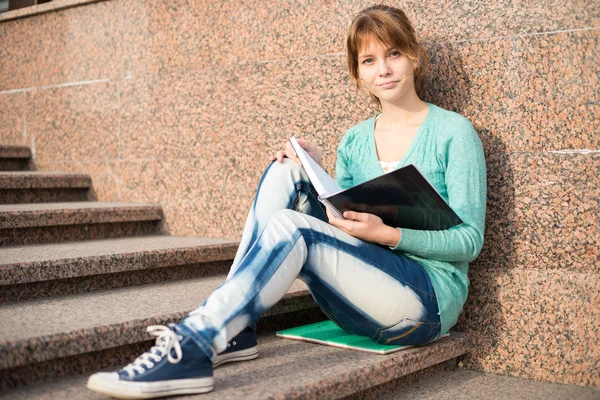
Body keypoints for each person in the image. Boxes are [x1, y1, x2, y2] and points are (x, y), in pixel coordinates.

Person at [87, 4, 486, 398]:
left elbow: (470, 241)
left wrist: (392, 235)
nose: (383, 69)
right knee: (286, 170)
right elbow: (341, 224)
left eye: (393, 53)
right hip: (359, 296)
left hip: (424, 303)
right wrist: (313, 169)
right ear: (357, 73)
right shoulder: (354, 140)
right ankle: (236, 329)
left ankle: (196, 342)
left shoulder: (453, 132)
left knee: (294, 228)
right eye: (369, 59)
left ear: (414, 56)